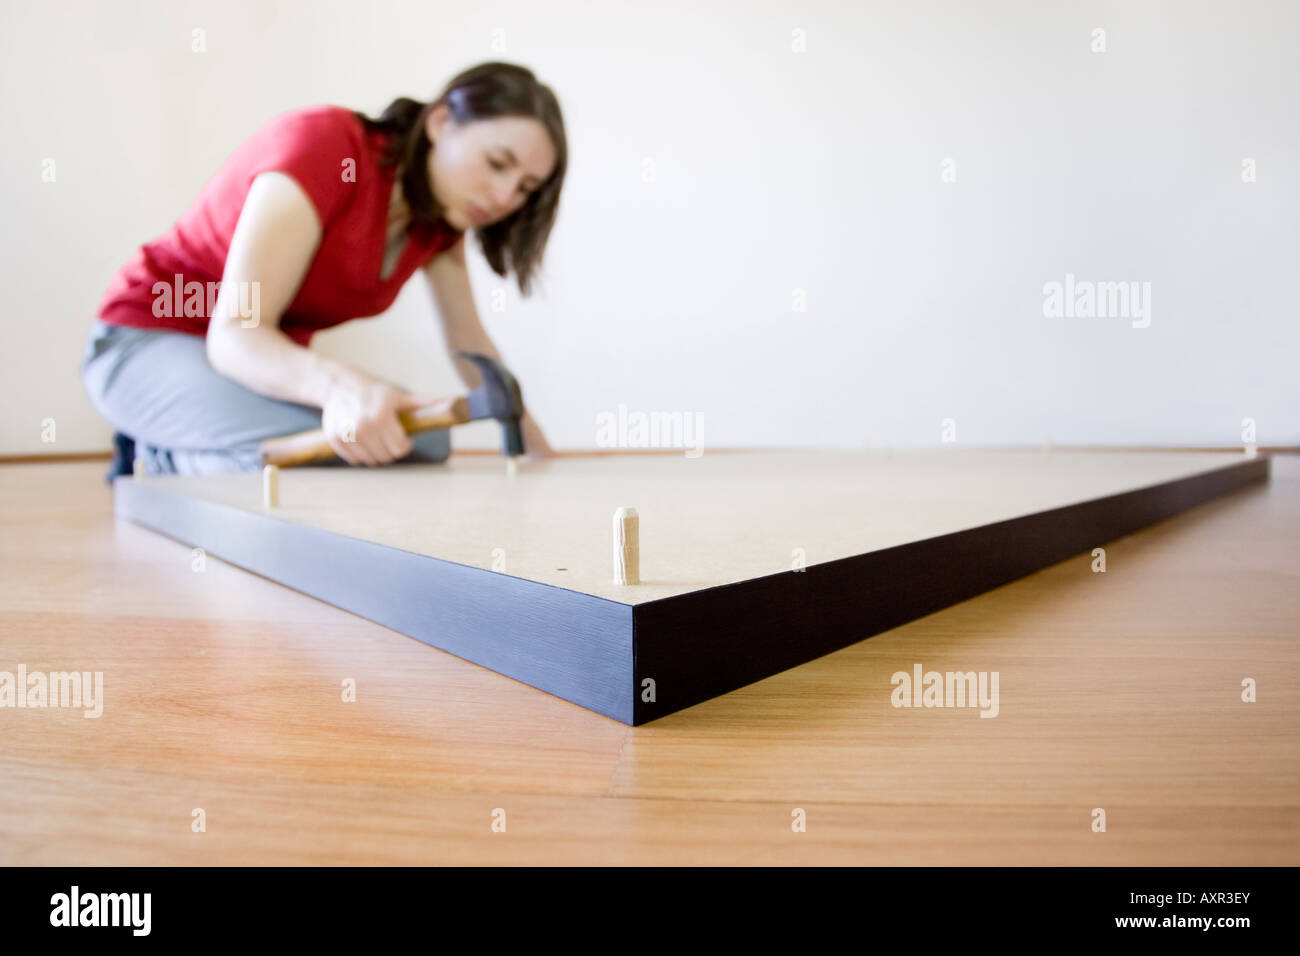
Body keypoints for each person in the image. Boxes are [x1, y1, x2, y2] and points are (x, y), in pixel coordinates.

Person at [80, 61, 565, 481]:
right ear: (440, 122)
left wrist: (542, 457)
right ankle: (156, 453)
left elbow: (471, 347)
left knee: (423, 442)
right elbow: (237, 333)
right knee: (352, 443)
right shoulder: (324, 146)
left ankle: (212, 445)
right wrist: (342, 387)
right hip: (146, 341)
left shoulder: (440, 227)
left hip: (256, 372)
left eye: (525, 188)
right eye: (497, 163)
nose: (505, 199)